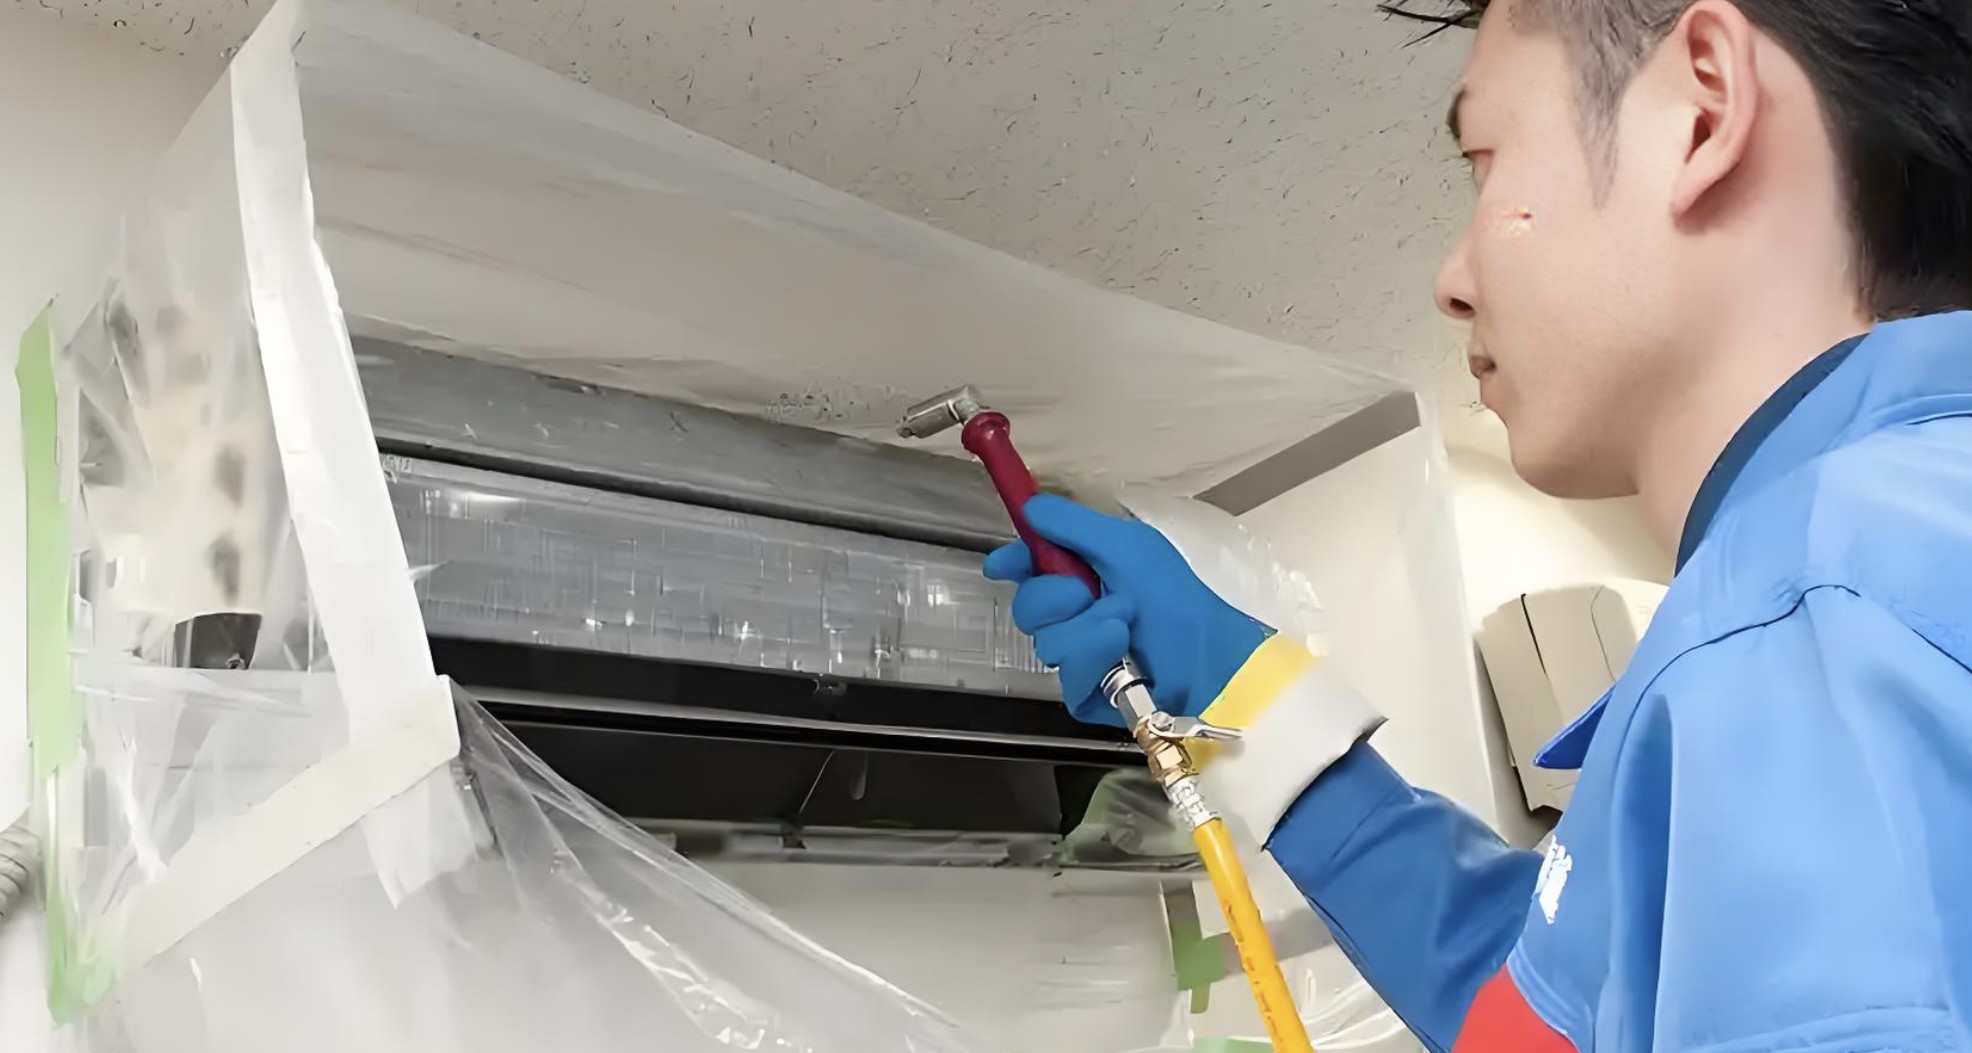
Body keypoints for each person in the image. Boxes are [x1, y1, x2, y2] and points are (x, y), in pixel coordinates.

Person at [982, 1, 1972, 1050]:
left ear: (1701, 112)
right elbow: (1548, 1009)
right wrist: (1238, 687)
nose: (1452, 284)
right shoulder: (1879, 570)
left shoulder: (1809, 614)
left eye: (1489, 161)